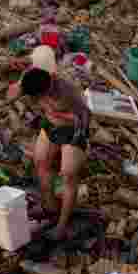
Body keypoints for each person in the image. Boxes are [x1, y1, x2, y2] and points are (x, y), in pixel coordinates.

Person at [8, 67, 89, 241]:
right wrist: (15, 93)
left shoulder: (66, 91)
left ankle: (62, 225)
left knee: (68, 175)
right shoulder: (30, 78)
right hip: (51, 126)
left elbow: (83, 117)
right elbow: (13, 93)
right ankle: (50, 207)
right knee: (40, 161)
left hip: (72, 131)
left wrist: (59, 113)